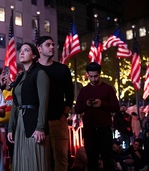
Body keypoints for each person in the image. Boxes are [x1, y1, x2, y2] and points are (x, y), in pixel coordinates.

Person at [7, 42, 50, 171]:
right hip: (20, 122)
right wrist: (10, 128)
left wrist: (40, 127)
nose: (21, 52)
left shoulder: (40, 73)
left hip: (34, 122)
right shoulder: (20, 77)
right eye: (20, 50)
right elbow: (15, 103)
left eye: (26, 50)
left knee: (34, 158)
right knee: (21, 158)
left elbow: (44, 102)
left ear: (34, 55)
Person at [36, 36, 74, 170]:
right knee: (41, 159)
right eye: (48, 45)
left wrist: (64, 114)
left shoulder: (62, 69)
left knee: (61, 158)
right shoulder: (33, 69)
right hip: (38, 122)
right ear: (39, 48)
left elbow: (70, 95)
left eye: (53, 45)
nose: (52, 47)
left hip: (58, 120)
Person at [75, 62, 120, 171]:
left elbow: (116, 107)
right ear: (87, 75)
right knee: (91, 159)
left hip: (104, 128)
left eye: (96, 76)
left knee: (107, 159)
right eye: (91, 76)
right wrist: (86, 104)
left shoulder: (108, 89)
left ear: (99, 74)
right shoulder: (84, 90)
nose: (93, 79)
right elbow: (77, 109)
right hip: (90, 130)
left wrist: (102, 104)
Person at [0, 71, 14, 171]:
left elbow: (17, 90)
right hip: (1, 125)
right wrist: (1, 83)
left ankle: (13, 166)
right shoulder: (1, 91)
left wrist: (11, 82)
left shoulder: (14, 90)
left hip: (13, 125)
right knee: (1, 150)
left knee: (13, 149)